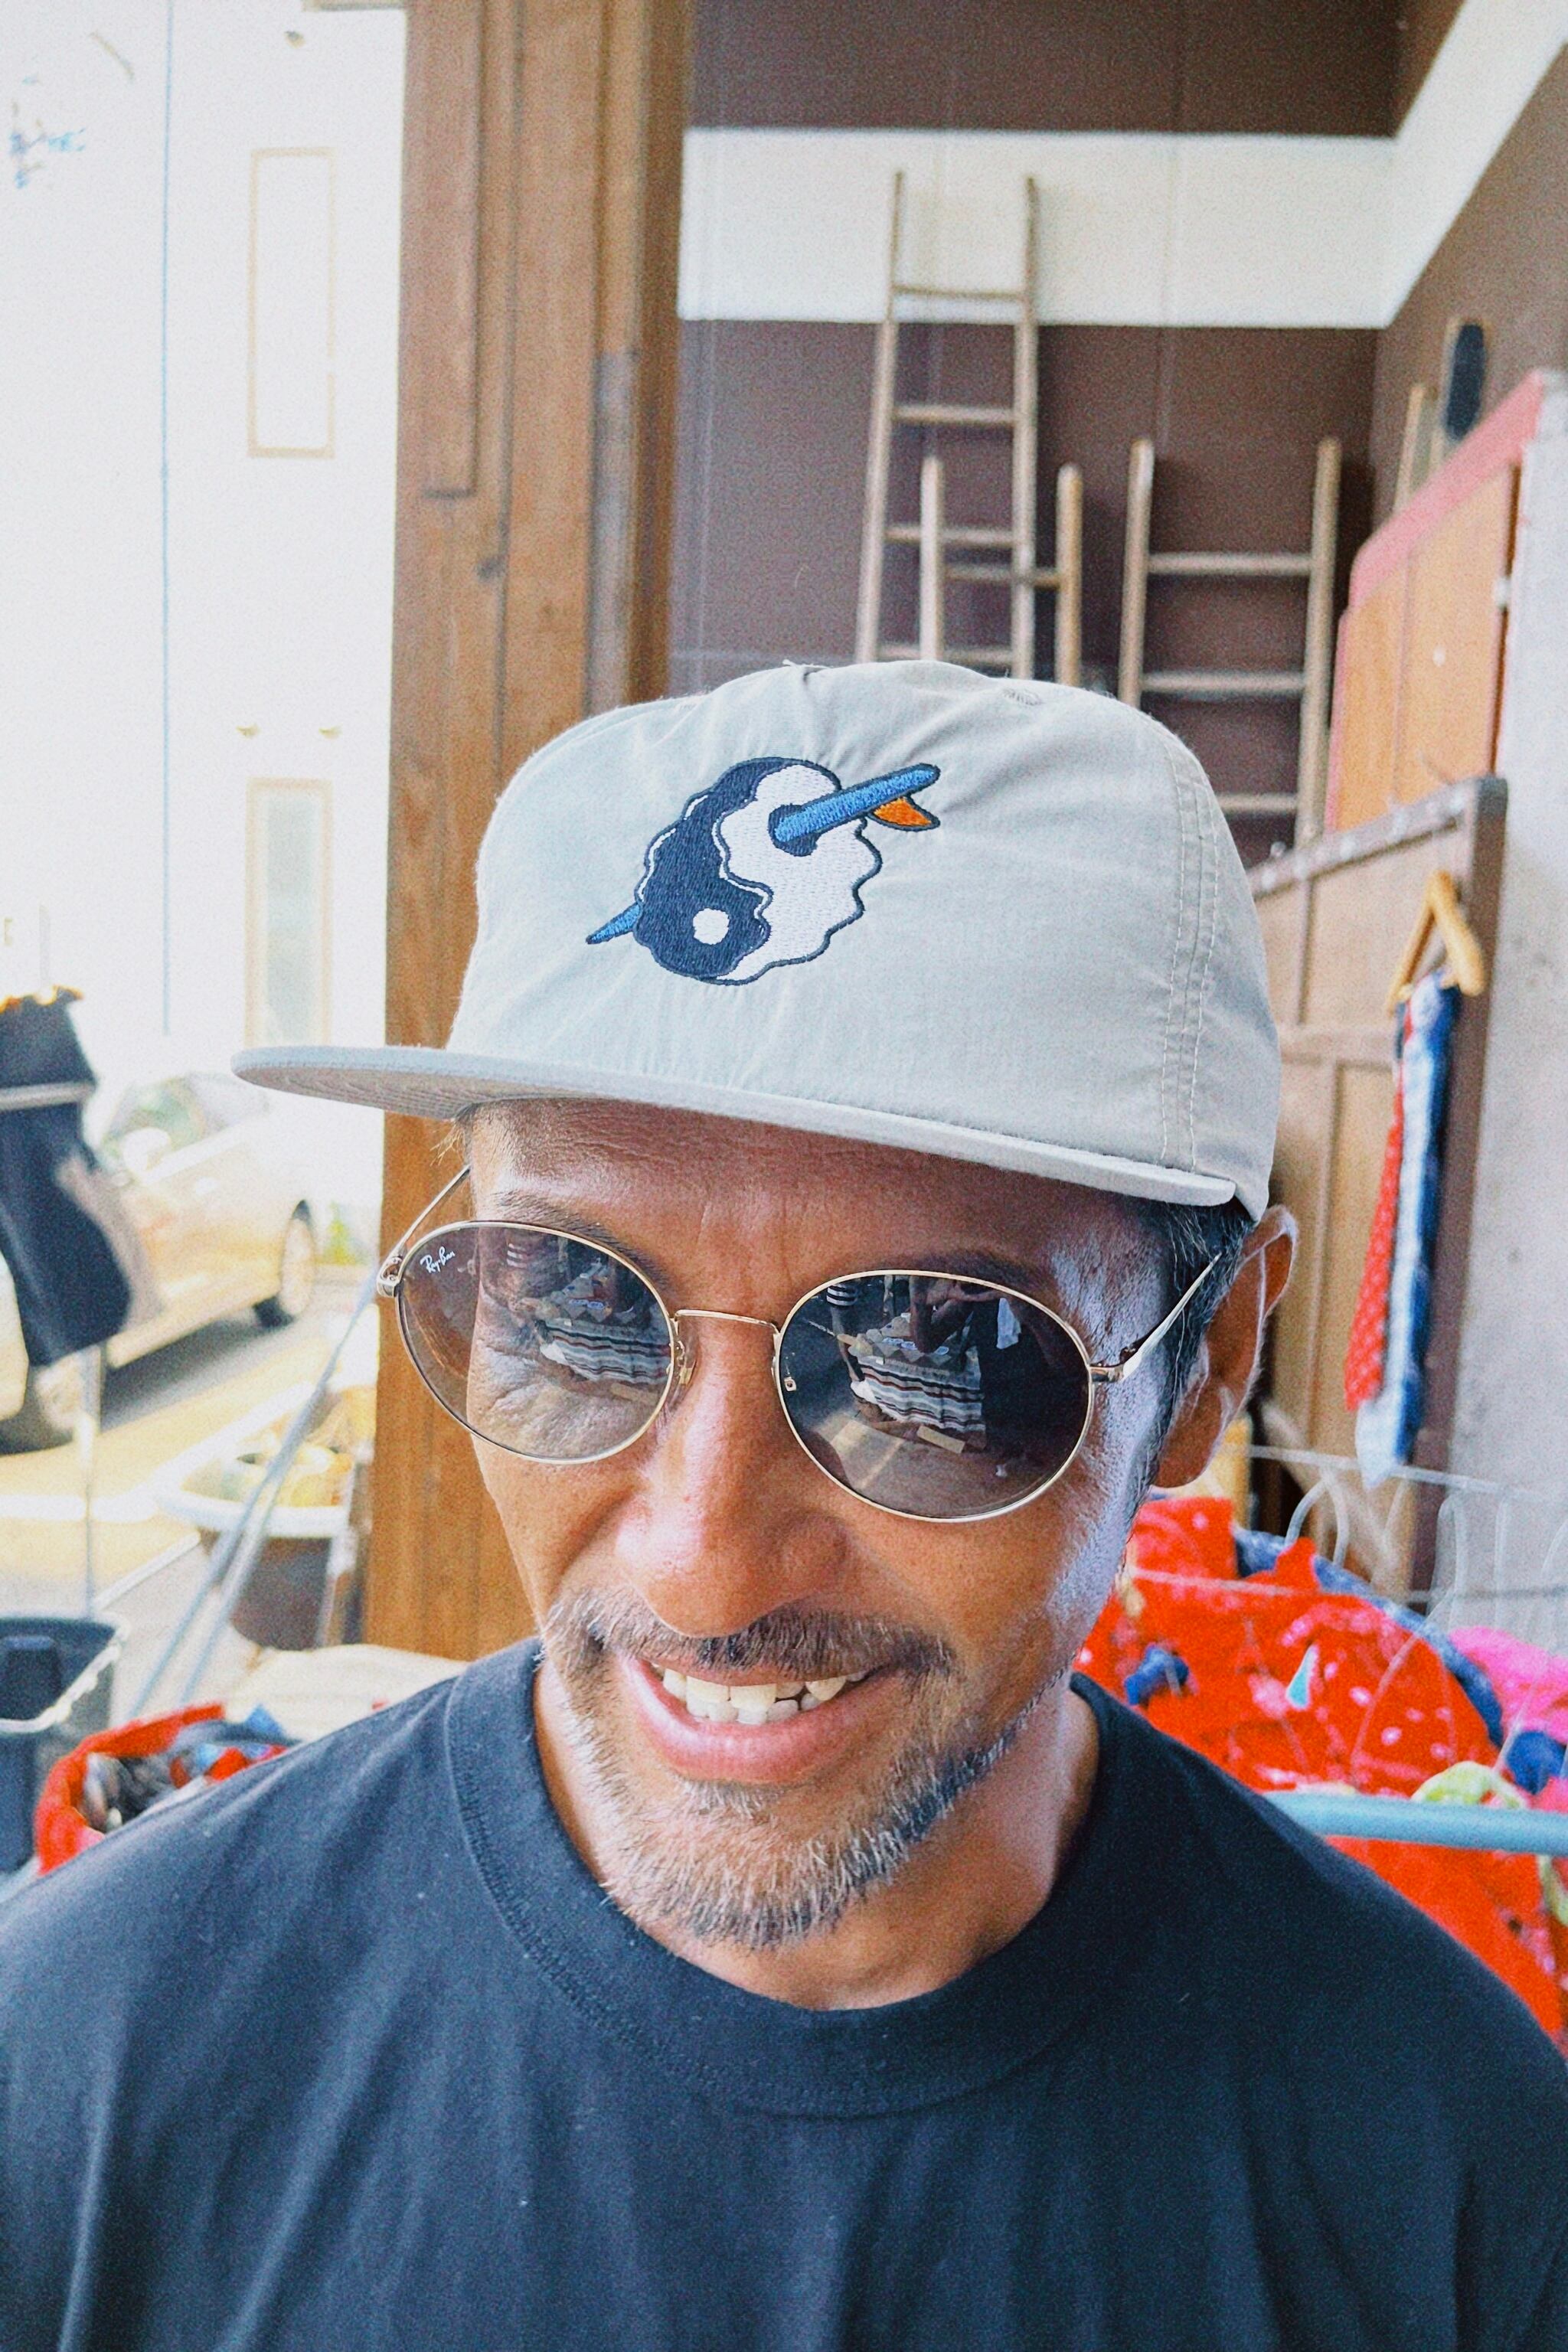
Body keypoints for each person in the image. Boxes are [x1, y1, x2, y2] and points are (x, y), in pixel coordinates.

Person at [2, 662, 1565, 2351]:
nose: (703, 1562)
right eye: (577, 1306)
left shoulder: (1457, 2185)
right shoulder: (80, 2071)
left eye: (937, 1356)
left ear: (1212, 1361)